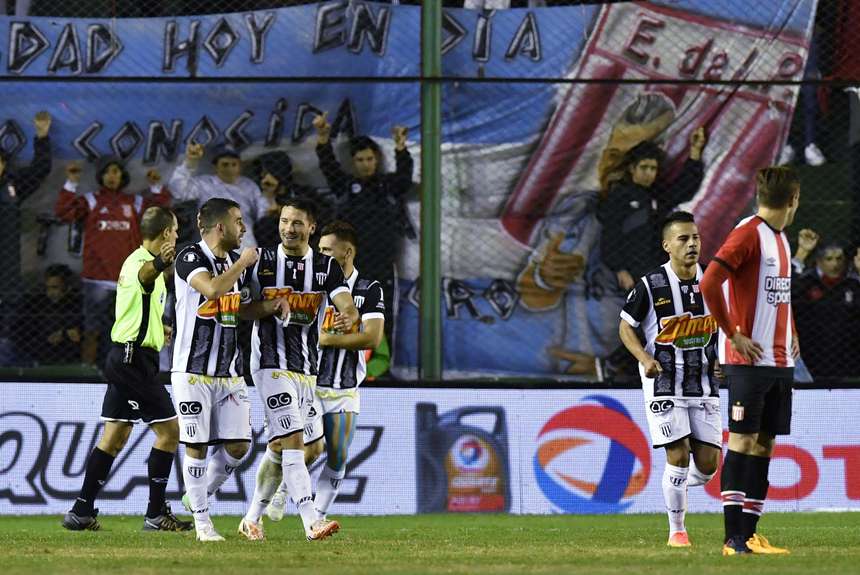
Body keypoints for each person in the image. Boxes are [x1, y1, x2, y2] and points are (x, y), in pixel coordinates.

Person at [62, 206, 191, 532]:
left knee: (115, 437)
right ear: (166, 233)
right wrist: (161, 262)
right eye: (175, 230)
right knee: (170, 432)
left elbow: (137, 308)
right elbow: (146, 275)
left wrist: (158, 329)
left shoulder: (132, 260)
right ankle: (155, 513)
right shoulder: (142, 264)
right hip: (133, 362)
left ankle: (81, 511)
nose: (177, 234)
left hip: (126, 356)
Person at [238, 198, 359, 542]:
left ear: (311, 227)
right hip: (269, 364)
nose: (288, 228)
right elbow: (240, 310)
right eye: (284, 221)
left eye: (296, 223)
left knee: (290, 446)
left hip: (306, 368)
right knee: (293, 440)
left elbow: (345, 303)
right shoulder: (261, 262)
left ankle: (251, 518)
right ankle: (311, 522)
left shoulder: (325, 266)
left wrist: (349, 315)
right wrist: (268, 306)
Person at [700, 166, 801, 556]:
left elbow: (780, 295)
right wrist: (732, 333)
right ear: (793, 199)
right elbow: (709, 282)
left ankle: (750, 535)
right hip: (749, 361)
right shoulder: (748, 233)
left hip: (779, 361)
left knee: (763, 445)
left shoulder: (781, 239)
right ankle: (732, 538)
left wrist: (792, 331)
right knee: (742, 441)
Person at [172, 198, 283, 542]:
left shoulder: (234, 264)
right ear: (221, 227)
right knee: (197, 446)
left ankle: (197, 495)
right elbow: (212, 289)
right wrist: (244, 262)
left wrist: (270, 306)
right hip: (192, 372)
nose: (244, 227)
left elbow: (240, 307)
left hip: (230, 373)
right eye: (238, 221)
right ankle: (203, 525)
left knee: (239, 446)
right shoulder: (190, 257)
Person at [264, 220, 385, 523]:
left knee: (338, 456)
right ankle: (277, 495)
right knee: (303, 448)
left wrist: (328, 339)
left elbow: (372, 338)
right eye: (319, 249)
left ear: (347, 252)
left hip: (344, 389)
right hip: (309, 383)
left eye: (327, 250)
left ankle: (317, 515)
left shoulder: (368, 289)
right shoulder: (312, 284)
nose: (321, 255)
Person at [618, 211, 720, 547]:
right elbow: (626, 327)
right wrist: (645, 358)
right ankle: (677, 530)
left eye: (696, 238)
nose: (692, 244)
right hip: (663, 381)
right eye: (683, 239)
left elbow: (726, 323)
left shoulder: (713, 281)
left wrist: (723, 357)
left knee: (708, 465)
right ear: (667, 246)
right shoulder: (651, 285)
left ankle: (673, 485)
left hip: (703, 382)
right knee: (677, 454)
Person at [55, 158, 170, 366]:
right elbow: (64, 213)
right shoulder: (91, 200)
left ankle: (127, 370)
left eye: (116, 171)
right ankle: (88, 371)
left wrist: (156, 186)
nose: (111, 176)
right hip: (96, 278)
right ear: (100, 176)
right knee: (92, 330)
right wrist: (71, 182)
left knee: (131, 331)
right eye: (107, 172)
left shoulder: (135, 202)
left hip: (128, 279)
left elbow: (162, 214)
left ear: (122, 175)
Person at [313, 113, 413, 307]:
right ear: (353, 162)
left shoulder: (388, 185)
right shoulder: (346, 186)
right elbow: (328, 166)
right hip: (350, 261)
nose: (366, 164)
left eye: (369, 159)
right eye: (360, 160)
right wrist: (323, 139)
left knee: (382, 312)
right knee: (347, 312)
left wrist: (401, 147)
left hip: (382, 262)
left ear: (376, 159)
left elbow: (404, 177)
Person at [599, 130, 707, 293]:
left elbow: (684, 188)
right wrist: (620, 270)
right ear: (632, 168)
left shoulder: (657, 195)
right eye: (644, 167)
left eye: (653, 168)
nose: (648, 173)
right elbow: (610, 233)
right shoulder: (619, 196)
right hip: (629, 276)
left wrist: (695, 151)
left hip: (657, 271)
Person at [0, 111, 52, 354]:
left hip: (8, 269)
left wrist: (42, 136)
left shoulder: (12, 186)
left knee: (8, 324)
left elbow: (40, 169)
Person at [168, 143, 267, 248]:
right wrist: (190, 163)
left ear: (240, 166)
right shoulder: (205, 183)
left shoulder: (249, 185)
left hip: (245, 240)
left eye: (234, 164)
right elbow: (178, 191)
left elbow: (263, 210)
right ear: (215, 166)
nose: (230, 168)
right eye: (225, 164)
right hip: (214, 240)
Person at [792, 242, 860, 379]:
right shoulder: (805, 283)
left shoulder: (853, 284)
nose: (835, 264)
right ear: (819, 261)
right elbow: (786, 293)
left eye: (839, 258)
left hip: (847, 357)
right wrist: (800, 257)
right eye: (829, 259)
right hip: (810, 354)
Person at [17, 264, 83, 365]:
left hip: (67, 355)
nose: (50, 292)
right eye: (47, 288)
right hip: (37, 352)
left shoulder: (78, 304)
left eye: (55, 287)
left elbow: (77, 333)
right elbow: (23, 333)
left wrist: (63, 334)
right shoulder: (37, 303)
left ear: (67, 287)